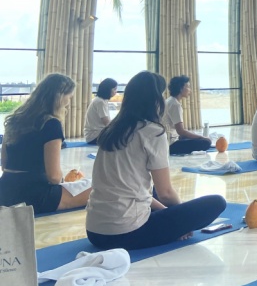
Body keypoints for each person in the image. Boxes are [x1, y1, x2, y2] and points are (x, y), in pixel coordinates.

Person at [86, 71, 226, 251]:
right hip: (126, 233)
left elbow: (133, 189)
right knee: (216, 202)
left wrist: (167, 213)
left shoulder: (110, 130)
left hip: (95, 232)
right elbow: (166, 192)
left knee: (151, 190)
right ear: (155, 100)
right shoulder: (152, 132)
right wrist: (181, 220)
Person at [0, 73, 92, 213]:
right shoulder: (51, 124)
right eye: (69, 97)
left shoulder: (14, 120)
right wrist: (64, 181)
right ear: (60, 97)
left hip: (5, 190)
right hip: (34, 194)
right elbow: (54, 177)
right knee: (96, 189)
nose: (69, 101)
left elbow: (4, 164)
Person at [163, 75, 211, 155]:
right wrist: (201, 137)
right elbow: (181, 131)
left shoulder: (169, 101)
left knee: (192, 136)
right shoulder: (175, 105)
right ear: (181, 88)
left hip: (168, 139)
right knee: (206, 142)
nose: (190, 90)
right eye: (188, 87)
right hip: (171, 144)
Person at [84, 78, 117, 144]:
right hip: (94, 136)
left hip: (97, 133)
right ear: (108, 89)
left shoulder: (101, 100)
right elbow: (106, 122)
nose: (116, 91)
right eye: (114, 89)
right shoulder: (100, 102)